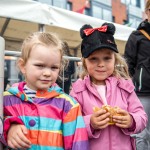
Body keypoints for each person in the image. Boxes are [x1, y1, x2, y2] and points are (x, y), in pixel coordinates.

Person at [2, 32, 89, 150]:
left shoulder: (68, 105)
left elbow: (78, 144)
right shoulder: (5, 100)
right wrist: (8, 126)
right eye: (40, 65)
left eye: (54, 67)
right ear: (23, 66)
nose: (47, 73)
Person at [70, 22, 147, 150]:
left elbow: (142, 116)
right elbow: (70, 124)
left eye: (107, 58)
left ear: (115, 60)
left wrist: (131, 120)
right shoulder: (78, 91)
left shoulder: (125, 87)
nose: (101, 64)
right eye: (94, 59)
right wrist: (90, 123)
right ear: (84, 62)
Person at [124, 1, 150, 149]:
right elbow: (128, 64)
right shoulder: (136, 36)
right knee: (141, 132)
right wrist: (139, 79)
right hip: (142, 92)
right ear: (146, 12)